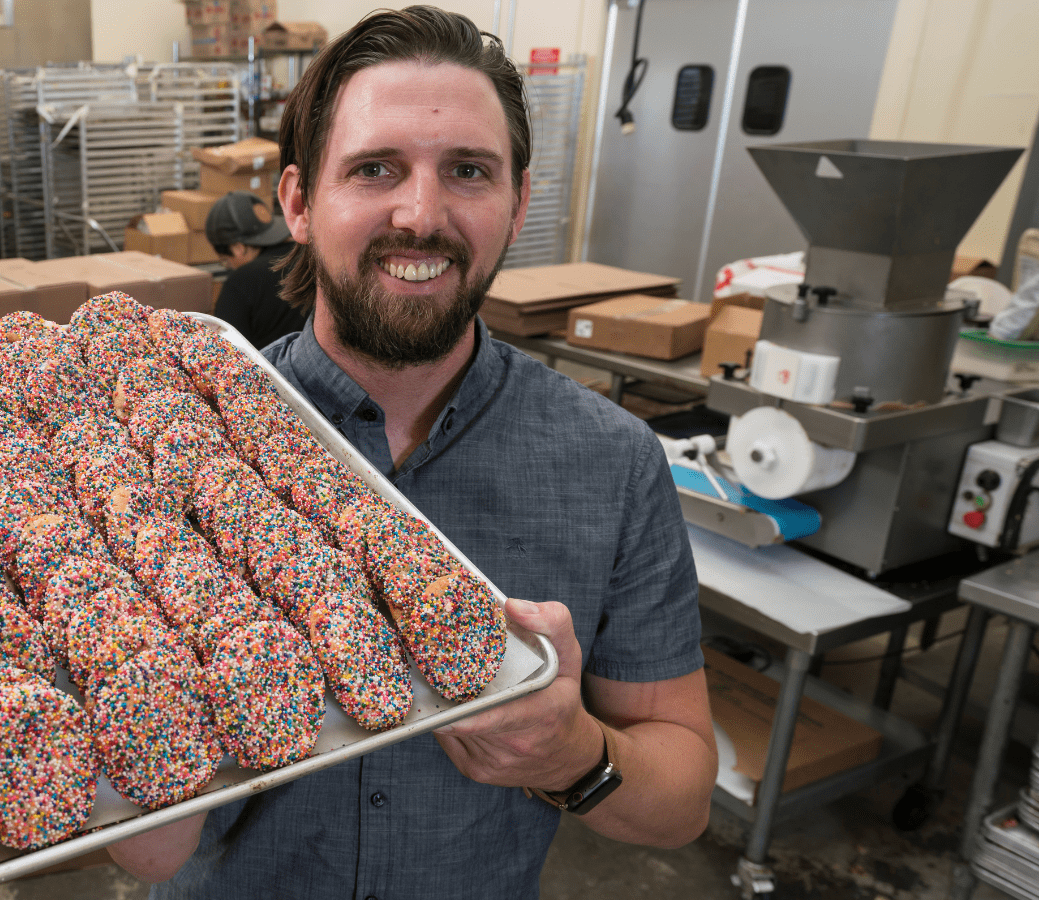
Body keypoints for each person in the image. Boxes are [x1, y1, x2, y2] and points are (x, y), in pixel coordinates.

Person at [107, 7, 717, 899]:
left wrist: (573, 753)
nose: (421, 215)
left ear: (517, 205)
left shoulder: (611, 464)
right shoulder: (170, 447)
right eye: (375, 169)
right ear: (299, 205)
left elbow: (683, 800)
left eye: (467, 171)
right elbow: (146, 844)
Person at [206, 190, 305, 347]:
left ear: (238, 247)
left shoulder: (241, 282)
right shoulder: (310, 257)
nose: (229, 267)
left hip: (269, 370)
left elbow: (224, 350)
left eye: (225, 261)